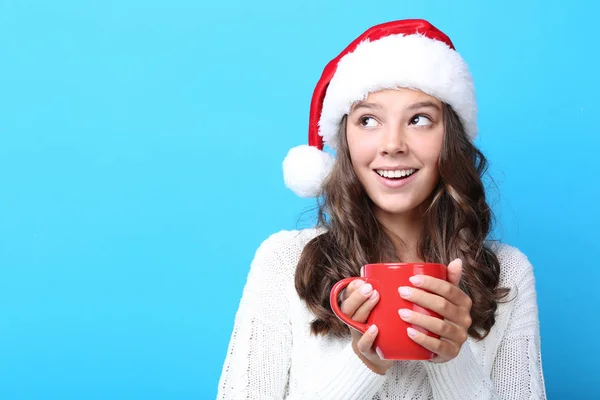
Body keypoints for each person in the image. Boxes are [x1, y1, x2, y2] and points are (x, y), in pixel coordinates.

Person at [217, 19, 546, 399]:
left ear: (449, 140)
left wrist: (451, 360)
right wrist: (363, 365)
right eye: (368, 120)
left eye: (419, 119)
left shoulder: (508, 274)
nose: (392, 145)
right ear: (346, 140)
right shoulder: (283, 261)